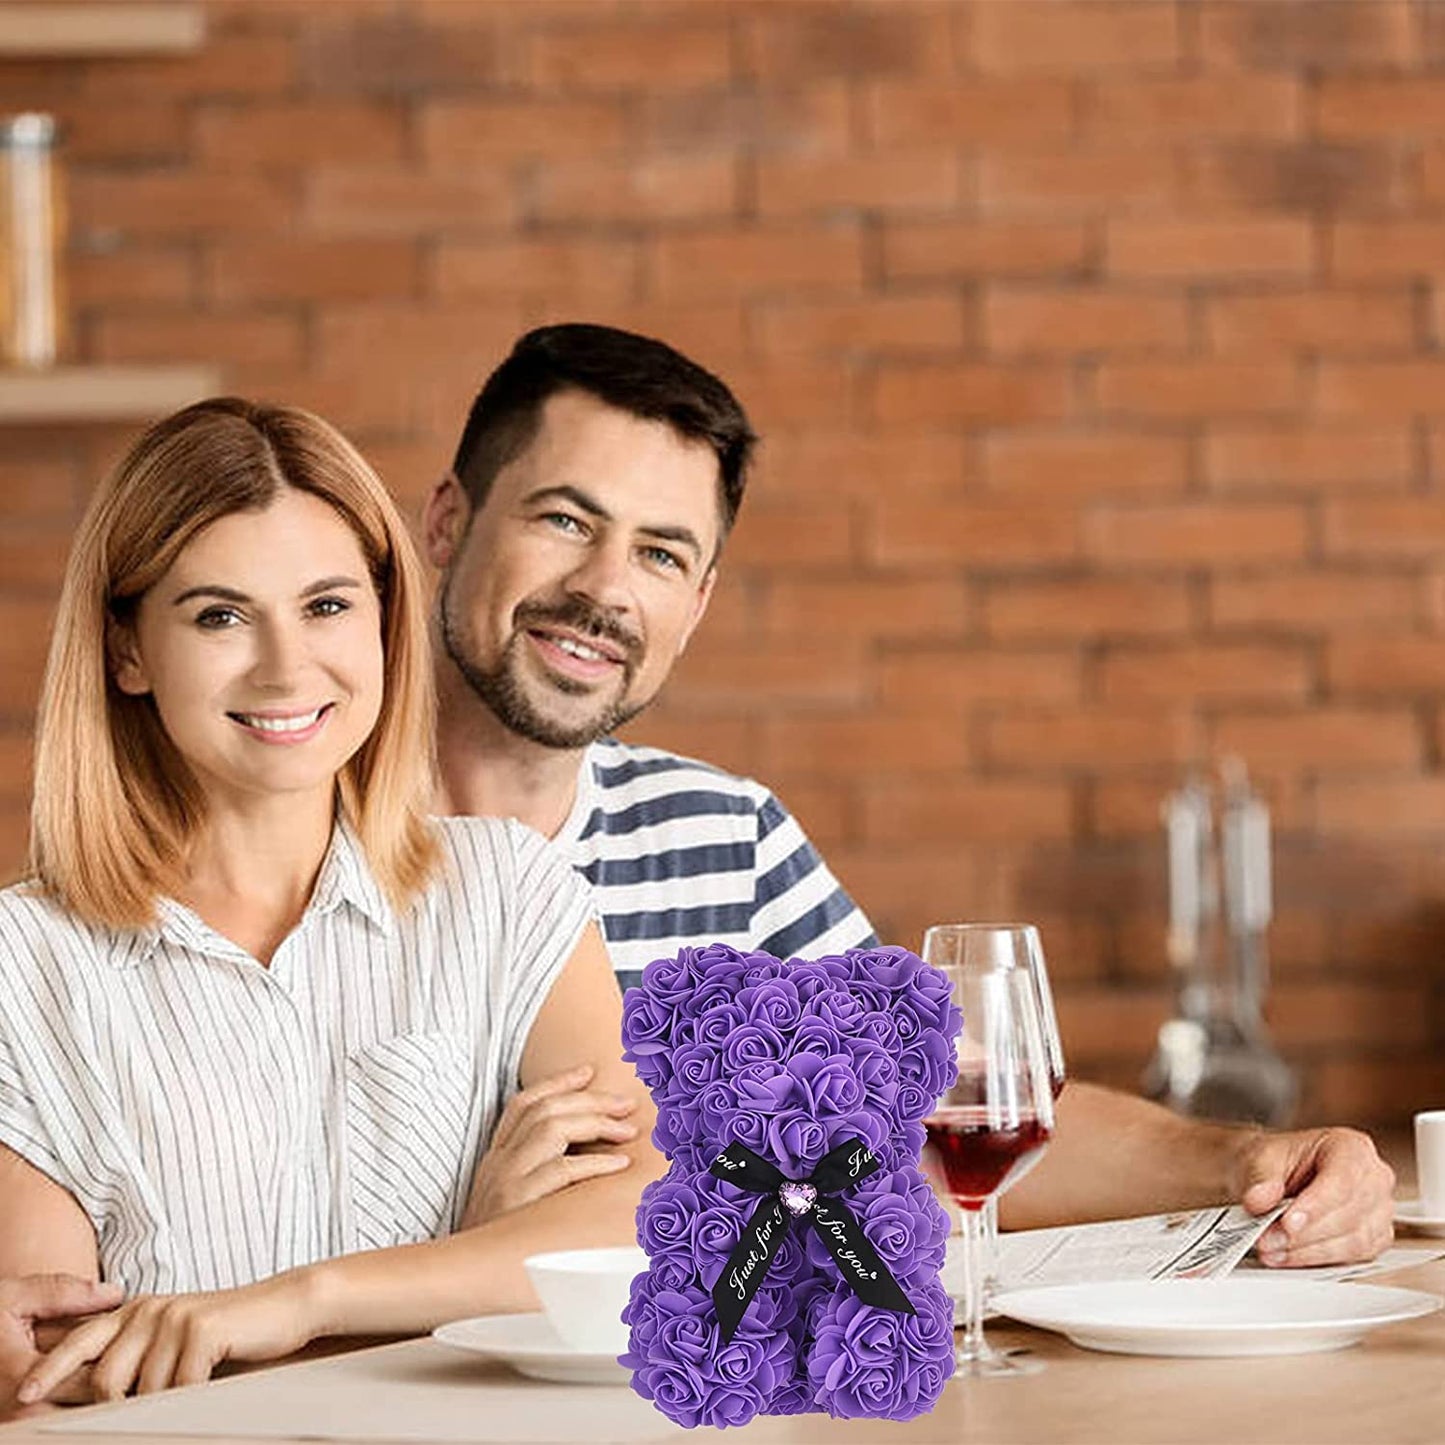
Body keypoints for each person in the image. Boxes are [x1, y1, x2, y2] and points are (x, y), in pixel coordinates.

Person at [422, 323, 1395, 1269]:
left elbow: (949, 1117)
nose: (606, 587)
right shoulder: (296, 832)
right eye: (563, 520)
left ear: (699, 600)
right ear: (445, 521)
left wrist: (1253, 1161)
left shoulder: (726, 836)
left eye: (660, 553)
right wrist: (474, 1246)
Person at [0, 398, 663, 1410]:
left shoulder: (508, 893)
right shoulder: (25, 963)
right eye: (219, 614)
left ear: (386, 623)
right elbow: (67, 1377)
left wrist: (297, 1301)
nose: (286, 666)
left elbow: (646, 1224)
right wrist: (468, 1263)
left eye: (326, 606)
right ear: (128, 650)